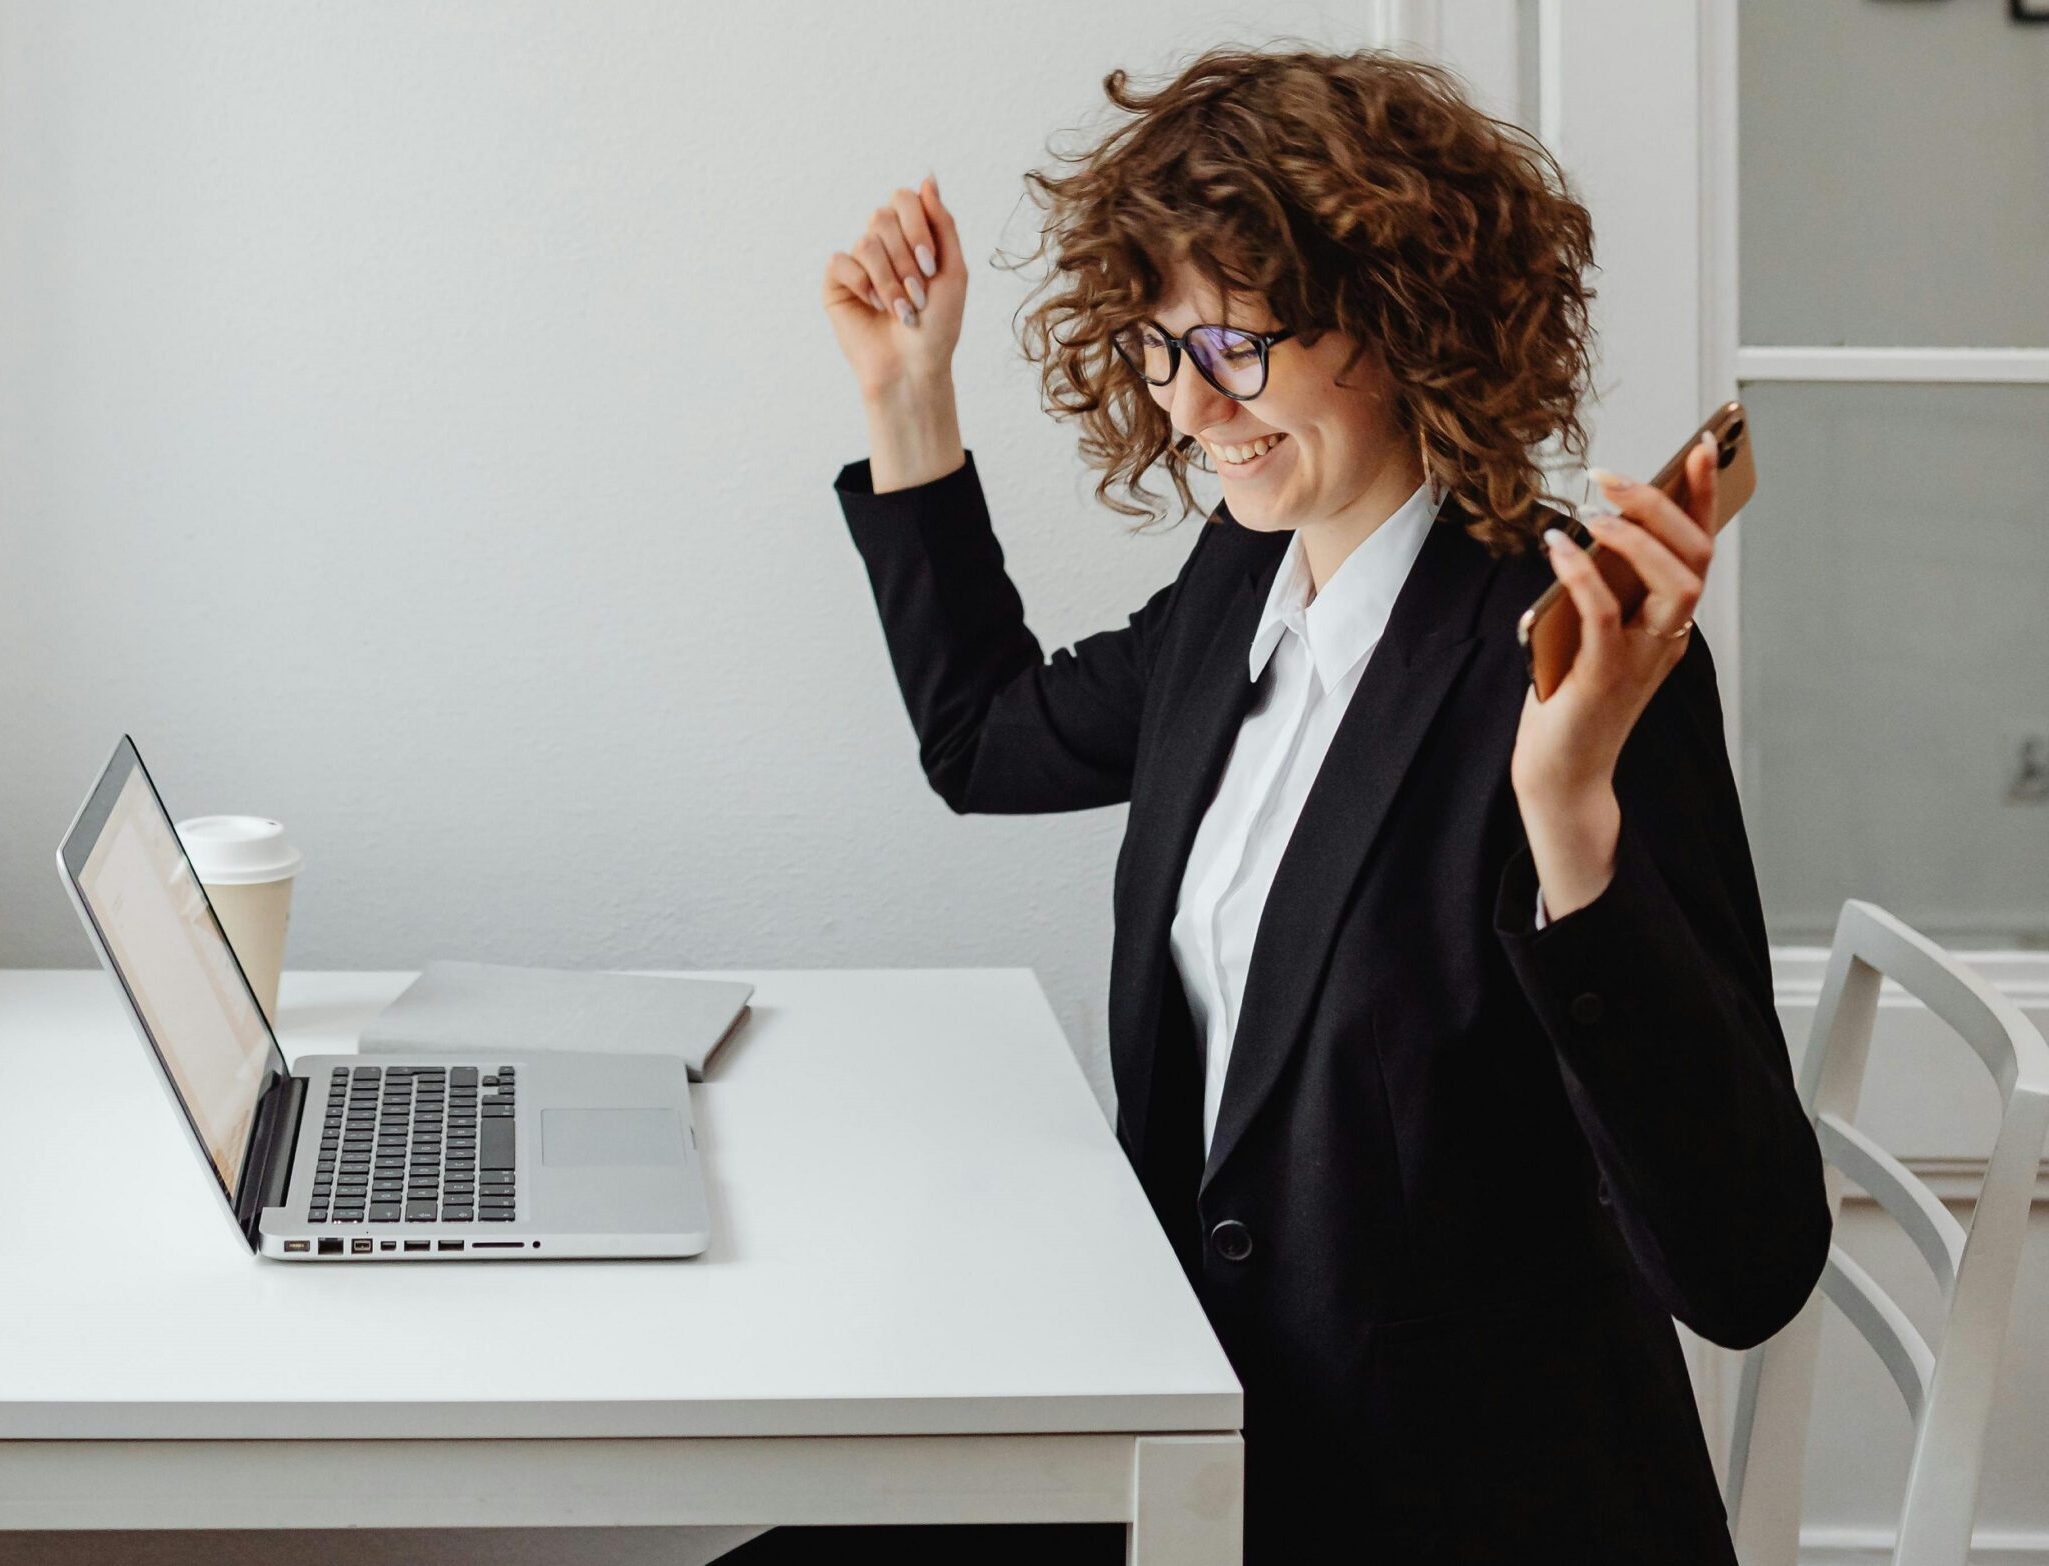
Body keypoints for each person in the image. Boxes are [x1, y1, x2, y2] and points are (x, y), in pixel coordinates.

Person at [729, 44, 1831, 1566]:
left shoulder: (1574, 656)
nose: (1190, 405)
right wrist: (908, 397)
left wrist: (1570, 806)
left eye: (1235, 346)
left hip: (1441, 1503)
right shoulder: (1246, 578)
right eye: (1162, 345)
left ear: (1395, 322)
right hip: (1206, 1428)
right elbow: (984, 741)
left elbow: (1745, 1260)